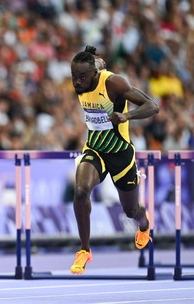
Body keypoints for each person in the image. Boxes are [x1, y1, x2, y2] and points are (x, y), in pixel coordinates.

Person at [69, 46, 160, 274]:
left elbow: (153, 106)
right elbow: (96, 62)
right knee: (80, 192)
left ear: (94, 75)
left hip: (121, 154)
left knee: (131, 211)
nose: (77, 82)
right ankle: (84, 251)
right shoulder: (89, 72)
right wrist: (90, 53)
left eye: (82, 77)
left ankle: (144, 224)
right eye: (74, 77)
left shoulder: (113, 83)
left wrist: (127, 115)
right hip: (95, 149)